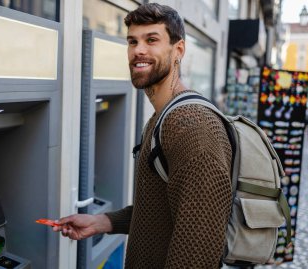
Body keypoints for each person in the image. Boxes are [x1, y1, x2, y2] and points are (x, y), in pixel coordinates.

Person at [53, 3, 232, 268]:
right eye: (132, 41)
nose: (138, 50)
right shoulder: (163, 117)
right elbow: (162, 212)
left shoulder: (193, 127)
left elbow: (198, 251)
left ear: (178, 50)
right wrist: (102, 222)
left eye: (151, 40)